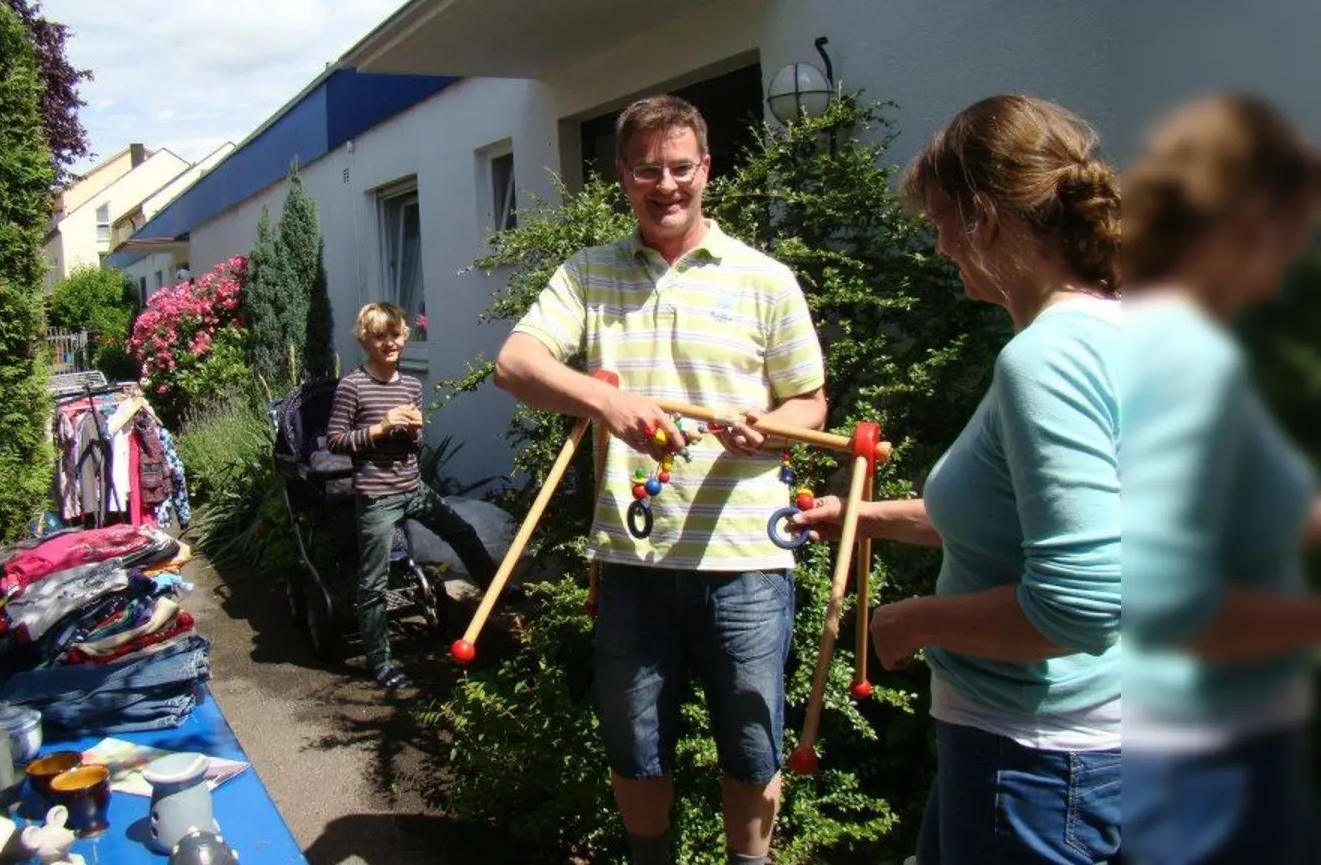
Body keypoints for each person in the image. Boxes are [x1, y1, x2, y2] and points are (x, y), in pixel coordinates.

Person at [494, 95, 828, 865]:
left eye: (681, 167)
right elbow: (516, 364)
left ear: (707, 170)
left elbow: (810, 400)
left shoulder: (765, 279)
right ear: (623, 177)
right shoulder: (588, 275)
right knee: (635, 749)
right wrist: (605, 399)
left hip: (745, 559)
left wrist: (773, 429)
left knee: (752, 749)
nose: (666, 184)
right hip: (633, 563)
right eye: (648, 169)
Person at [794, 95, 1124, 864]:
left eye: (942, 219)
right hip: (1079, 749)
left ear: (984, 218)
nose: (940, 245)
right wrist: (867, 517)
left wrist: (917, 621)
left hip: (1035, 763)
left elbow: (1076, 609)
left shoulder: (1046, 360)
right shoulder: (1126, 330)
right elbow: (1032, 520)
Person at [1117, 95, 1321, 864]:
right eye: (1292, 229)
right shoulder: (1180, 356)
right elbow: (1169, 603)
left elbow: (1267, 507)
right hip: (1201, 765)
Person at [326, 302, 499, 691]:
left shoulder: (410, 386)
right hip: (375, 497)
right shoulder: (352, 386)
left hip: (413, 488)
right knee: (374, 584)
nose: (389, 343)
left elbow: (413, 445)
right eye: (379, 336)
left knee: (463, 533)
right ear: (365, 340)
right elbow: (335, 441)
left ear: (406, 335)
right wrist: (379, 429)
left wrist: (415, 432)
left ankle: (497, 592)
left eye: (395, 334)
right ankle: (381, 662)